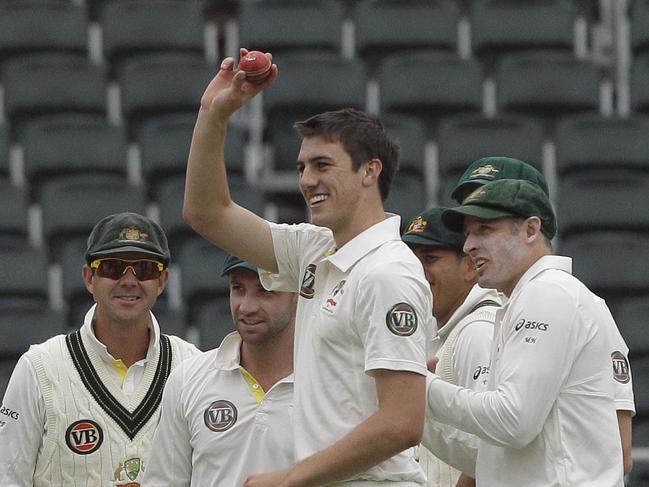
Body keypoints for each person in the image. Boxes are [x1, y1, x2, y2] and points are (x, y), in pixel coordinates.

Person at [183, 48, 433, 486]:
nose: (306, 181)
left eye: (322, 165)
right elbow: (207, 213)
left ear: (369, 171)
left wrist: (290, 478)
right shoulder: (316, 251)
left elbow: (402, 422)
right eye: (301, 167)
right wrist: (214, 115)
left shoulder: (388, 273)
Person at [422, 179, 624, 486]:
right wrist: (409, 400)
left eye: (484, 230)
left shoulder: (547, 293)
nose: (468, 245)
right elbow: (489, 459)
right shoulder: (531, 297)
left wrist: (420, 385)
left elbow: (513, 422)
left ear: (531, 230)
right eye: (467, 234)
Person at [0, 212, 200, 486]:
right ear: (89, 278)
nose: (129, 281)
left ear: (162, 281)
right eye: (112, 267)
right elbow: (7, 477)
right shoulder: (39, 368)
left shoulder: (193, 367)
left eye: (144, 268)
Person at [141, 254, 296, 486]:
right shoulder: (188, 379)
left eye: (265, 291)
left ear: (299, 296)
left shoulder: (332, 381)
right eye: (238, 288)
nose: (247, 306)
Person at [402, 208, 501, 487]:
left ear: (470, 266)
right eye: (412, 260)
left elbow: (492, 445)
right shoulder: (437, 330)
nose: (418, 272)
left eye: (430, 259)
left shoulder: (478, 330)